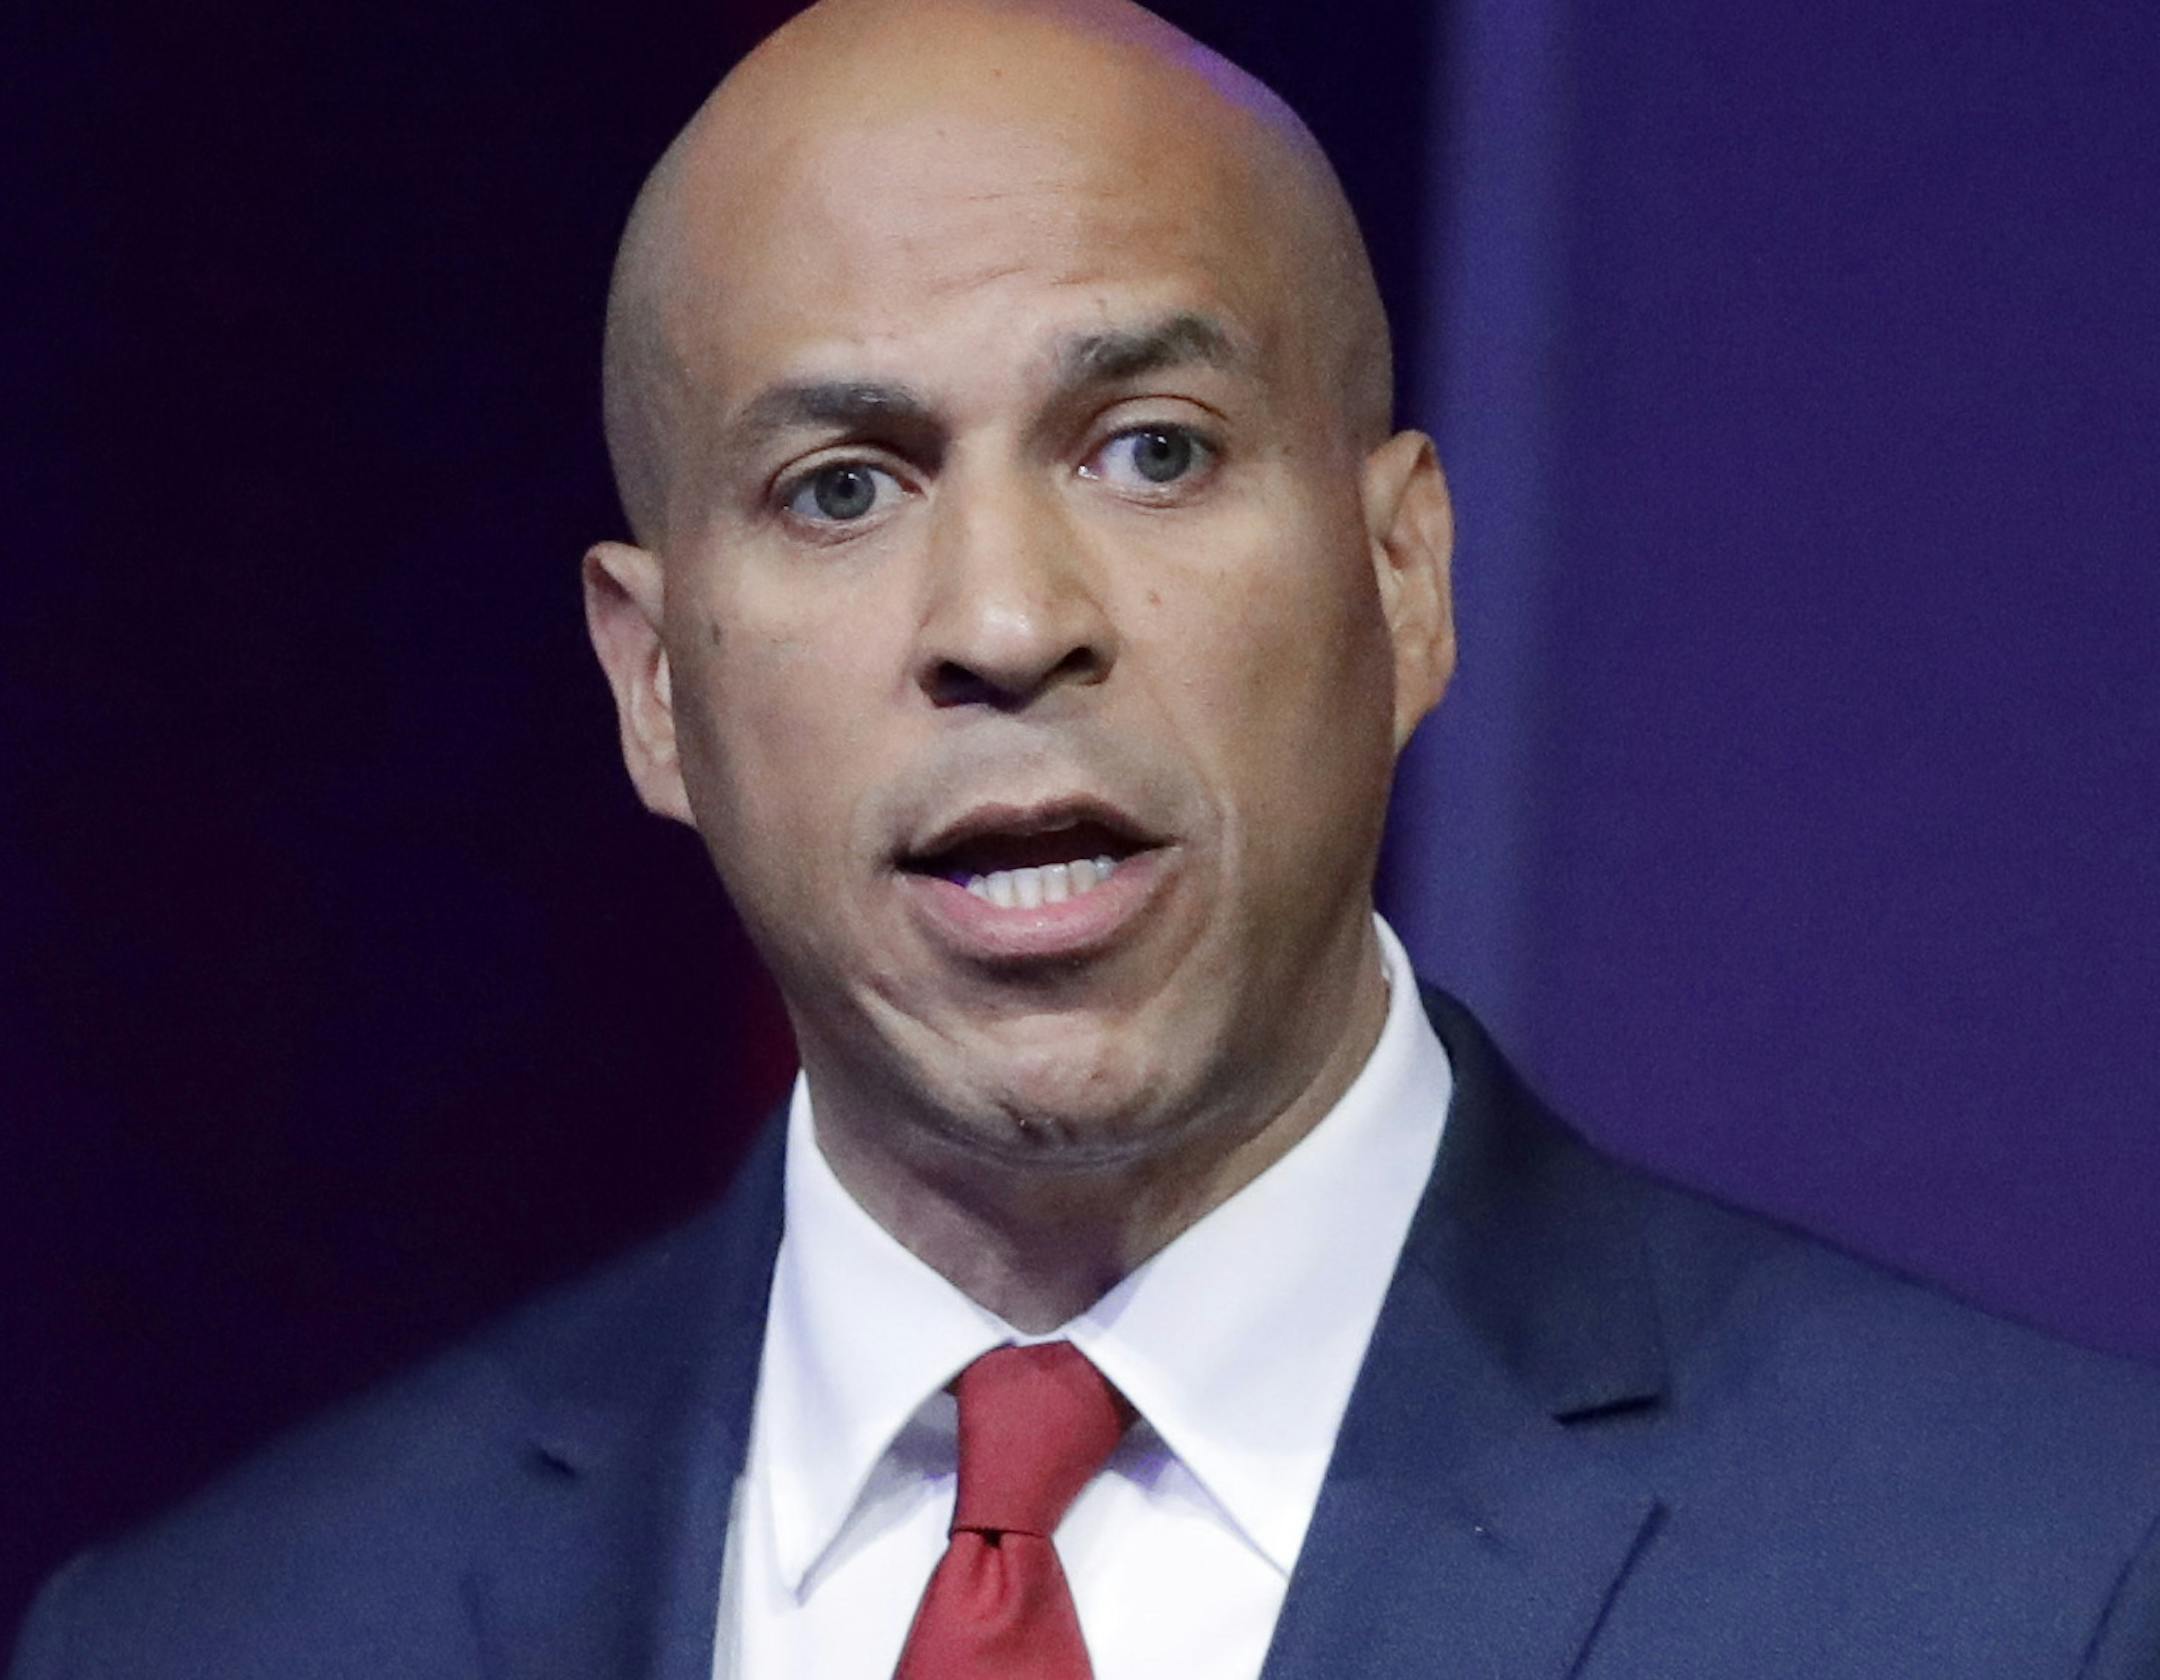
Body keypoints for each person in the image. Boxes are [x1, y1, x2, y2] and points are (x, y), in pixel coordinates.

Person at [12, 1, 2160, 1676]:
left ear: (1405, 575)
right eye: (842, 488)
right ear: (654, 684)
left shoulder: (2042, 1579)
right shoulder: (225, 1641)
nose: (1006, 623)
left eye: (1149, 448)